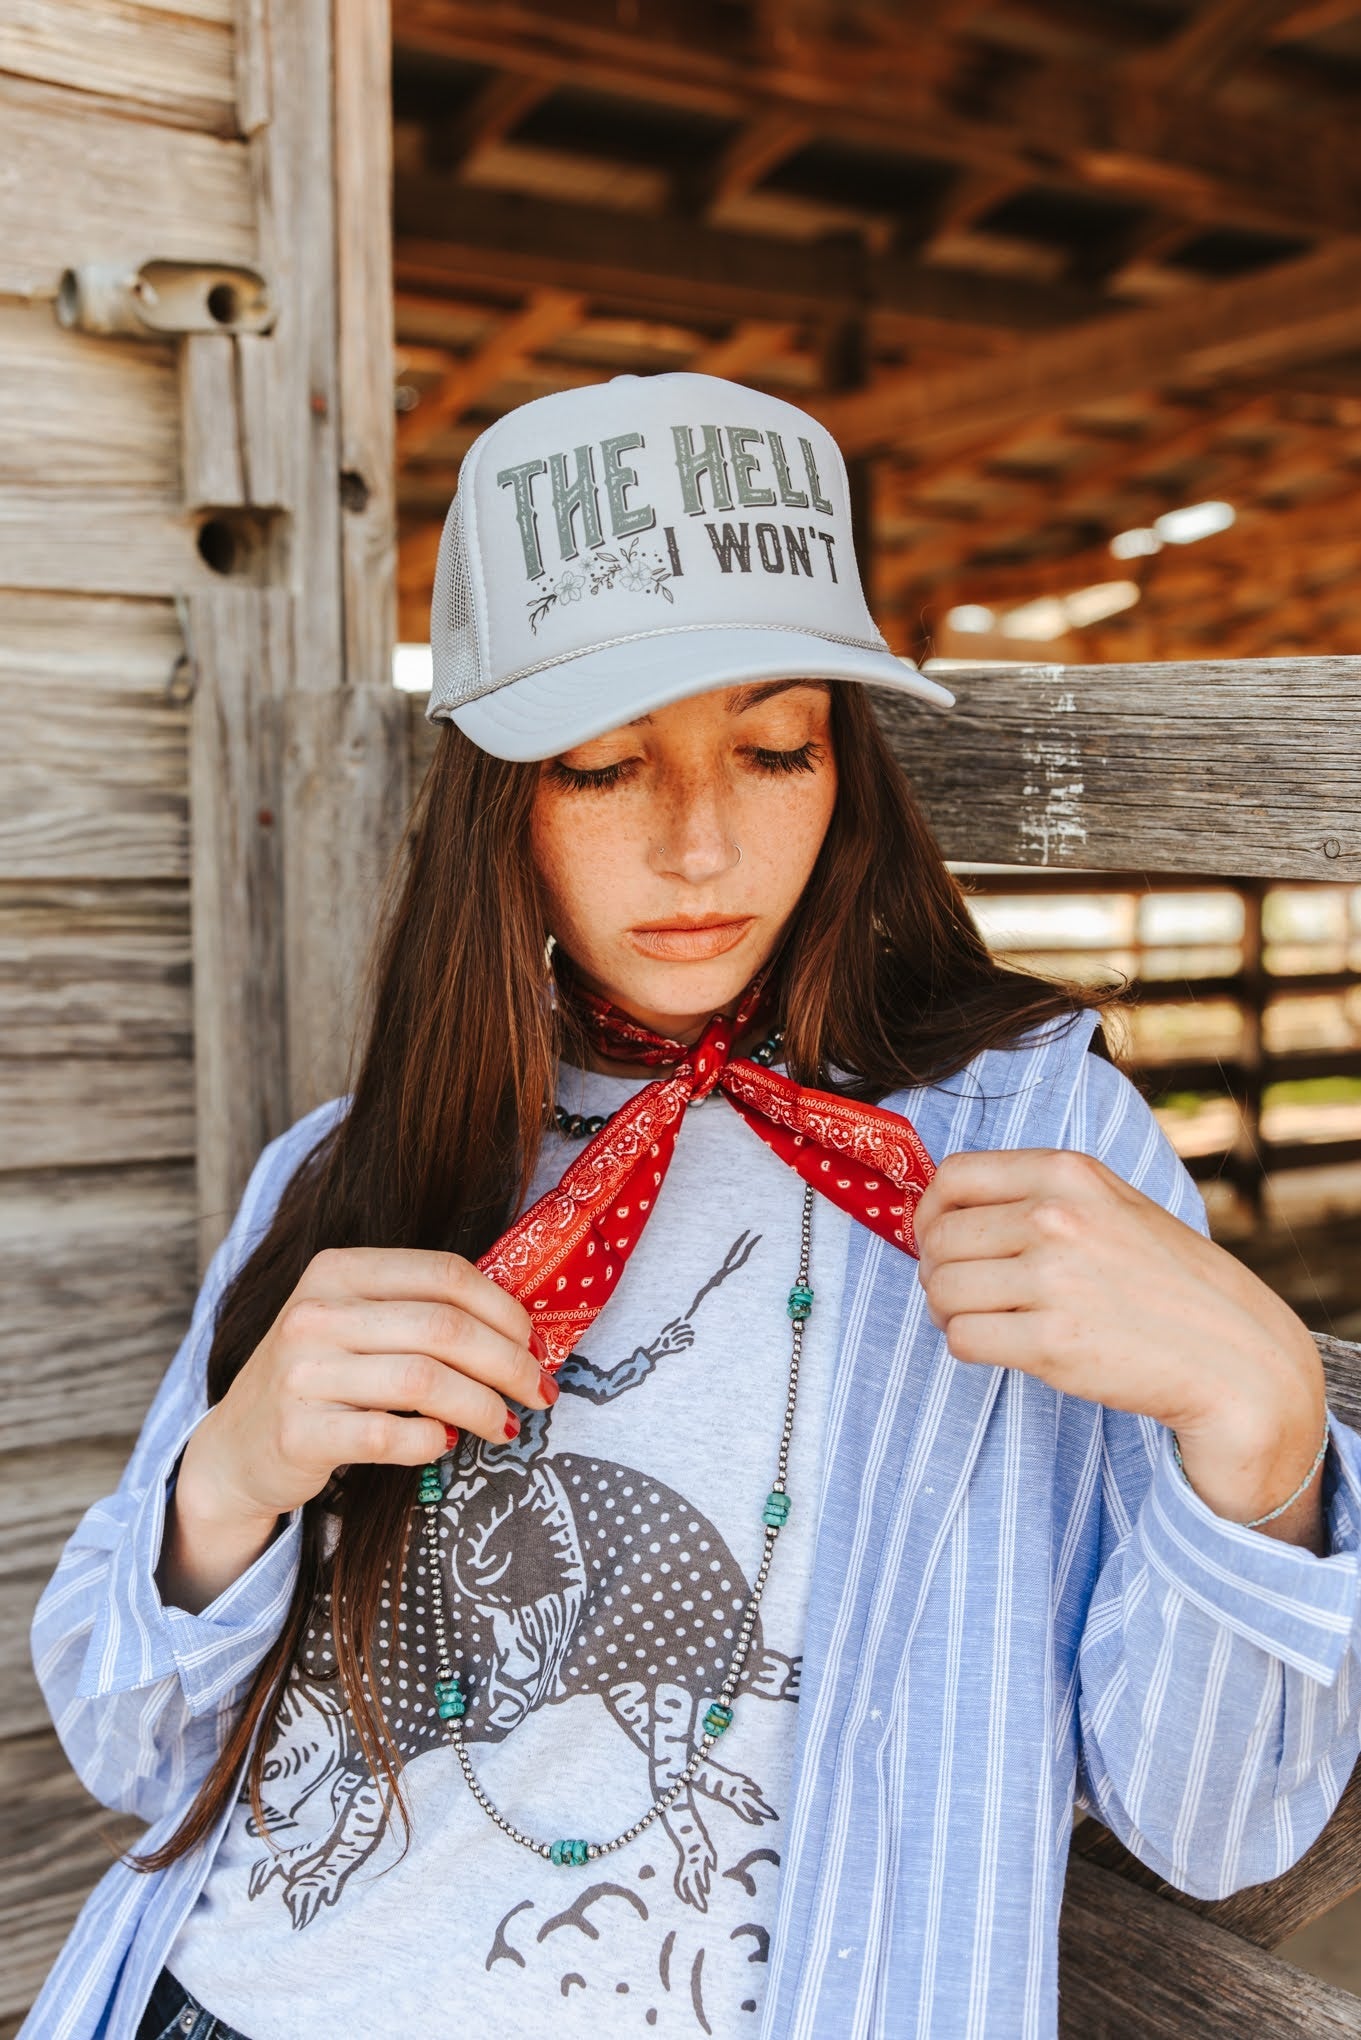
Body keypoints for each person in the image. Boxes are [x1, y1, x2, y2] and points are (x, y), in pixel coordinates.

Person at [24, 373, 1360, 2040]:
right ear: (498, 795)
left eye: (772, 746)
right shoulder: (347, 1167)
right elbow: (134, 1751)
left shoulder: (1031, 1145)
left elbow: (1217, 1824)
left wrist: (1264, 1425)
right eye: (603, 766)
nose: (701, 845)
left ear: (843, 761)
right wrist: (229, 1478)